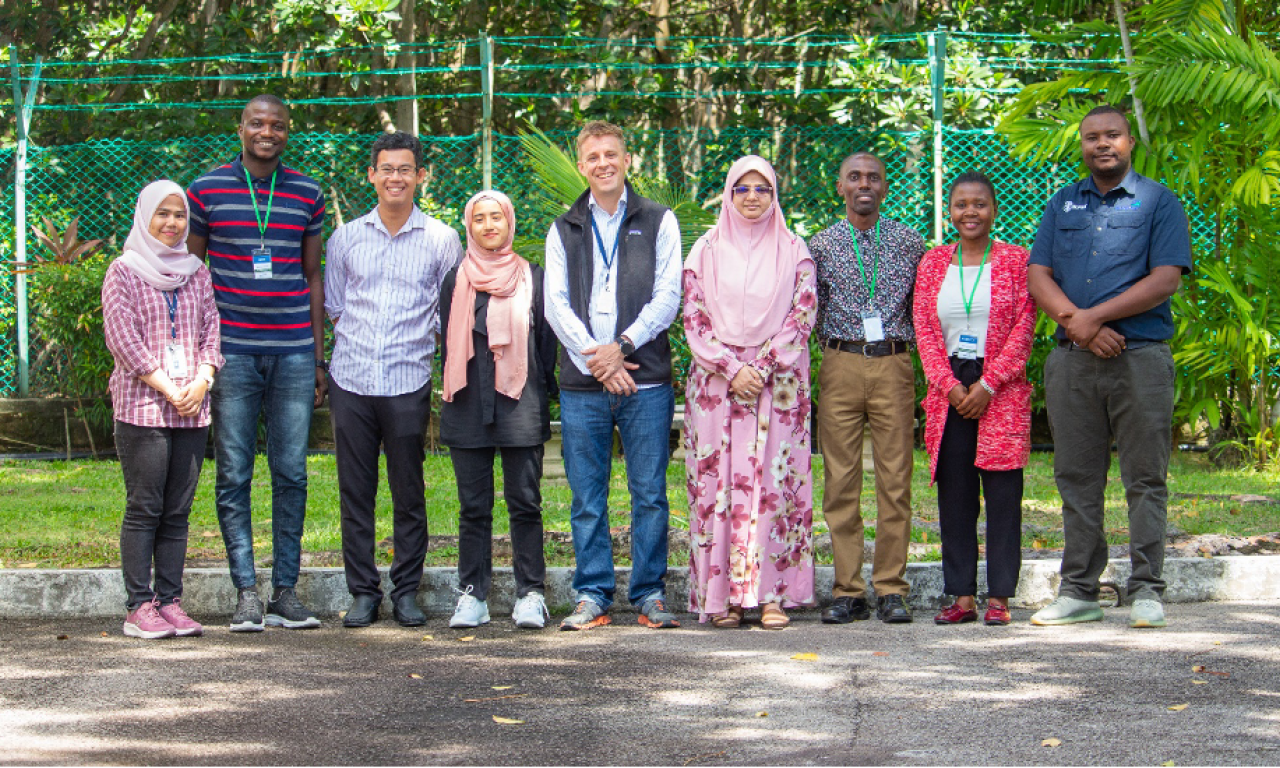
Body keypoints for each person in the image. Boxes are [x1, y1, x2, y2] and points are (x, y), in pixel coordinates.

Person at [1027, 105, 1192, 629]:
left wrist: (1091, 318)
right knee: (1076, 479)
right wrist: (1082, 328)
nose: (1103, 144)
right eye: (1092, 137)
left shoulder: (1158, 202)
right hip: (1073, 364)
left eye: (1112, 135)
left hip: (1140, 360)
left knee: (1145, 478)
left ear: (1129, 142)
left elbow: (1167, 278)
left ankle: (1146, 589)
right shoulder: (1063, 203)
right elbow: (1038, 275)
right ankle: (1079, 591)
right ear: (1082, 145)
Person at [186, 94, 327, 632]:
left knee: (291, 472)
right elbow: (194, 275)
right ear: (240, 128)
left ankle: (285, 591)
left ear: (288, 132)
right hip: (232, 353)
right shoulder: (206, 190)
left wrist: (317, 358)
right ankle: (246, 590)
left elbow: (312, 277)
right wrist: (200, 354)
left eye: (277, 125)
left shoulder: (307, 192)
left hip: (292, 351)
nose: (267, 132)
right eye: (257, 123)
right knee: (234, 473)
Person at [544, 120, 683, 631]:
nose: (603, 162)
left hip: (645, 381)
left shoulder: (659, 219)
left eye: (612, 154)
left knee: (649, 492)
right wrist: (596, 362)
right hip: (584, 386)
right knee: (587, 497)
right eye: (593, 156)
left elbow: (668, 297)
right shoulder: (563, 229)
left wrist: (620, 349)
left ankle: (648, 593)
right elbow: (555, 304)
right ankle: (594, 593)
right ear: (581, 166)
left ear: (628, 160)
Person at [324, 132, 463, 628]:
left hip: (408, 381)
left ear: (421, 176)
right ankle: (363, 592)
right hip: (352, 380)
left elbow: (452, 313)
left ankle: (406, 591)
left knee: (409, 490)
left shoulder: (443, 240)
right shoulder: (345, 239)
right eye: (386, 168)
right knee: (354, 491)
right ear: (372, 175)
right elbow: (336, 307)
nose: (396, 177)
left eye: (406, 169)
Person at [683, 156, 818, 629]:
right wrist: (731, 366)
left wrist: (757, 367)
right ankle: (724, 598)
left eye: (763, 188)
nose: (754, 197)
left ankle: (772, 596)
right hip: (718, 387)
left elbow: (801, 316)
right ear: (728, 194)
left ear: (775, 194)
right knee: (719, 488)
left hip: (776, 385)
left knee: (774, 487)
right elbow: (694, 320)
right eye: (743, 188)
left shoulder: (794, 249)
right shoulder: (705, 250)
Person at [809, 152, 927, 625]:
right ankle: (848, 590)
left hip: (894, 363)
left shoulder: (909, 242)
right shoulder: (819, 245)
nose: (864, 184)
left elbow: (923, 309)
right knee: (840, 481)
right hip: (839, 362)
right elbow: (808, 312)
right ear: (840, 186)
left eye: (873, 177)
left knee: (894, 479)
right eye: (854, 177)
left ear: (884, 186)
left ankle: (891, 587)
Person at [913, 172, 1035, 627]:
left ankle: (1000, 596)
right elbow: (924, 330)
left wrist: (989, 384)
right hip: (951, 389)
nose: (970, 212)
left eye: (979, 204)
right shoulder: (932, 263)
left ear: (993, 209)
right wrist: (949, 385)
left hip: (999, 387)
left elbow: (1025, 329)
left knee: (1003, 495)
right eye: (961, 204)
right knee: (956, 496)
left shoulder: (1016, 261)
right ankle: (961, 595)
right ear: (950, 210)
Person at [103, 180, 223, 639]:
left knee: (177, 512)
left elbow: (212, 328)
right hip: (143, 409)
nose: (172, 224)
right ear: (145, 217)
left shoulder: (197, 271)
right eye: (163, 214)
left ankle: (171, 602)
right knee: (145, 507)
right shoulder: (124, 270)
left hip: (192, 407)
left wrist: (202, 379)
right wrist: (168, 387)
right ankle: (139, 606)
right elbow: (123, 338)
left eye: (179, 216)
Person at [440, 190, 558, 630]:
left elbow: (546, 347)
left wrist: (529, 385)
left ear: (510, 223)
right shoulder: (456, 279)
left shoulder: (534, 277)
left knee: (525, 503)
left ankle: (530, 593)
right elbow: (446, 342)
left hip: (520, 402)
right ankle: (473, 595)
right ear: (468, 227)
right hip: (467, 400)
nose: (489, 226)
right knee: (473, 506)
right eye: (479, 219)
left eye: (497, 218)